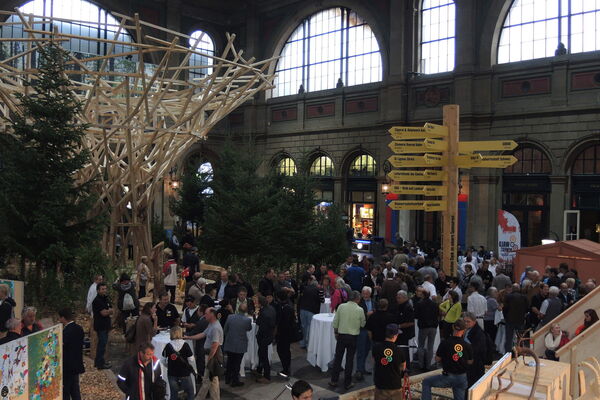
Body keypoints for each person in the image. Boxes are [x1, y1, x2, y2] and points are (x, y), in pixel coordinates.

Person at [421, 319, 473, 400]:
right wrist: (461, 358)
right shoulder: (467, 345)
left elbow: (437, 359)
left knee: (426, 382)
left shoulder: (445, 343)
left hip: (448, 376)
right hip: (462, 377)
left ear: (453, 327)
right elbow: (470, 361)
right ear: (464, 330)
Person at [329, 290, 366, 391]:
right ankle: (347, 383)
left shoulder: (341, 306)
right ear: (358, 299)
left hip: (341, 336)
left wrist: (336, 333)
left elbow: (335, 322)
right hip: (353, 337)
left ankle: (334, 380)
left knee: (338, 359)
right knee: (349, 360)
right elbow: (363, 324)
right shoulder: (360, 309)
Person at [184, 308, 223, 399]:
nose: (204, 315)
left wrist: (209, 359)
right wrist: (188, 337)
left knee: (206, 380)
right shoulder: (211, 324)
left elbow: (215, 345)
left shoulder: (215, 328)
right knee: (213, 380)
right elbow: (203, 334)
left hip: (212, 355)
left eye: (206, 314)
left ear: (212, 314)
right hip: (211, 354)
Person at [372, 323, 407, 400]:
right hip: (395, 387)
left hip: (380, 386)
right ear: (395, 336)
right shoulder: (399, 351)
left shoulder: (376, 348)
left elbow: (374, 361)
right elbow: (403, 367)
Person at [163, 326, 196, 400]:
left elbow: (163, 360)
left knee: (174, 394)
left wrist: (168, 366)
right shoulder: (185, 345)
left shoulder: (168, 346)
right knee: (190, 393)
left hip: (172, 373)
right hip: (184, 373)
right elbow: (191, 359)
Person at [223, 303, 252, 387]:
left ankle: (228, 379)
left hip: (230, 343)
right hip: (240, 344)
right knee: (237, 363)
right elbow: (249, 328)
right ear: (246, 311)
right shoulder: (247, 320)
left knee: (230, 361)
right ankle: (235, 380)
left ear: (238, 309)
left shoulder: (230, 317)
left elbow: (225, 329)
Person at [59, 308, 85, 400]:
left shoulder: (66, 332)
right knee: (75, 390)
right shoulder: (79, 329)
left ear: (63, 318)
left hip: (67, 365)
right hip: (77, 362)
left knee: (66, 390)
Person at [463, 312, 488, 391]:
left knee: (473, 386)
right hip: (469, 363)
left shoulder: (478, 333)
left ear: (474, 321)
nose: (466, 323)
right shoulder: (469, 330)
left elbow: (477, 349)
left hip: (475, 365)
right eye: (464, 321)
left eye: (468, 321)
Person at [415, 289, 438, 371]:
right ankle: (428, 365)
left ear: (423, 295)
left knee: (421, 346)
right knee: (430, 346)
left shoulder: (419, 304)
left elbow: (416, 315)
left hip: (423, 327)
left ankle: (421, 365)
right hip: (433, 327)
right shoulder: (435, 304)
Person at [255, 295, 276, 383]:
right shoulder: (271, 308)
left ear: (260, 303)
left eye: (256, 302)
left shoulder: (263, 313)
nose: (255, 303)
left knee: (264, 356)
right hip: (270, 335)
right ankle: (259, 369)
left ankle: (266, 376)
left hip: (264, 337)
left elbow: (260, 324)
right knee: (261, 353)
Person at [355, 286, 375, 380]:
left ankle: (362, 368)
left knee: (367, 350)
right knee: (360, 350)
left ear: (370, 294)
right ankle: (359, 370)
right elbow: (357, 316)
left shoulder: (374, 301)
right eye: (363, 293)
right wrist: (367, 315)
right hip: (362, 329)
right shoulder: (359, 303)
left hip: (371, 329)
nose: (365, 295)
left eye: (366, 293)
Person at [503, 283, 529, 353]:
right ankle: (520, 352)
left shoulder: (508, 296)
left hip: (509, 320)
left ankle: (508, 354)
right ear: (519, 288)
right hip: (520, 320)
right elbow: (527, 309)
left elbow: (505, 309)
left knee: (509, 339)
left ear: (512, 288)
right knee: (520, 338)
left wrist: (506, 317)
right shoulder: (524, 297)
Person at [92, 282, 113, 369]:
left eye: (105, 289)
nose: (104, 291)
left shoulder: (105, 298)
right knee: (102, 344)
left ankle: (99, 362)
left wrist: (108, 311)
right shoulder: (97, 301)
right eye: (102, 289)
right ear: (98, 290)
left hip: (106, 325)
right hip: (101, 326)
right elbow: (104, 313)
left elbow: (111, 309)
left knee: (103, 344)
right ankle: (100, 364)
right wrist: (109, 311)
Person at [275, 290, 295, 377]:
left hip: (282, 333)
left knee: (281, 350)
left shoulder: (282, 308)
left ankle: (285, 369)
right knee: (286, 350)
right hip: (289, 333)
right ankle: (287, 367)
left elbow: (281, 322)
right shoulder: (289, 306)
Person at [298, 277, 322, 348]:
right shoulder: (318, 290)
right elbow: (322, 300)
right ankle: (308, 344)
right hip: (311, 310)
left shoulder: (305, 288)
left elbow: (301, 297)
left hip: (303, 309)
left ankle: (303, 342)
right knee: (309, 327)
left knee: (303, 326)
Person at [394, 290, 415, 367]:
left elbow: (411, 322)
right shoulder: (399, 306)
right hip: (399, 334)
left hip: (405, 334)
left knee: (404, 352)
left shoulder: (408, 307)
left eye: (399, 298)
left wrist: (399, 326)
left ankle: (406, 368)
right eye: (397, 298)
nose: (397, 299)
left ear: (404, 298)